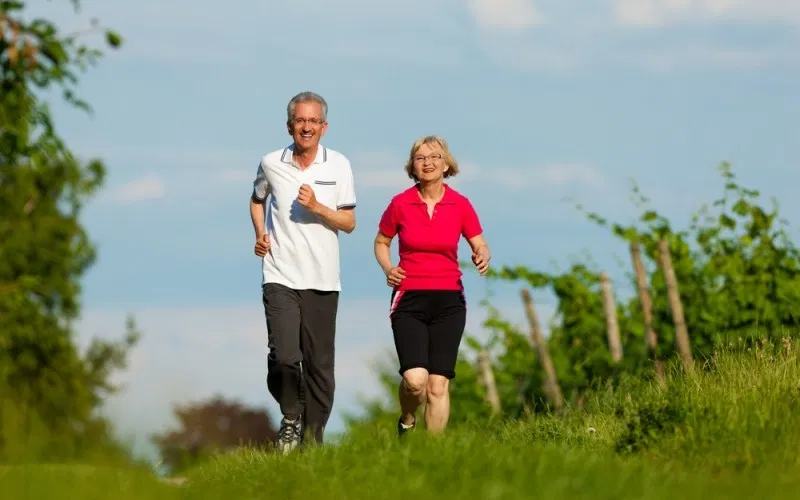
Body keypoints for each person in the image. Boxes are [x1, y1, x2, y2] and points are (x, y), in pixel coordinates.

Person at [249, 91, 357, 453]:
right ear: (289, 125)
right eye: (300, 120)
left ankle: (312, 443)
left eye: (313, 121)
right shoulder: (270, 162)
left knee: (320, 368)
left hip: (324, 279)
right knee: (283, 357)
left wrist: (318, 207)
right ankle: (291, 417)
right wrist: (260, 234)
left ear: (324, 127)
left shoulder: (339, 164)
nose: (306, 127)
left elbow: (349, 222)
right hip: (279, 273)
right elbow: (256, 199)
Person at [373, 134, 491, 437]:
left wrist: (481, 253)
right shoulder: (400, 204)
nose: (428, 163)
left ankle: (430, 456)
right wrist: (389, 267)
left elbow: (479, 242)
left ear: (446, 163)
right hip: (409, 298)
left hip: (449, 300)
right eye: (421, 158)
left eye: (434, 157)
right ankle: (408, 419)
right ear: (412, 166)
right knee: (416, 380)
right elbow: (381, 242)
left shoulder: (460, 204)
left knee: (438, 385)